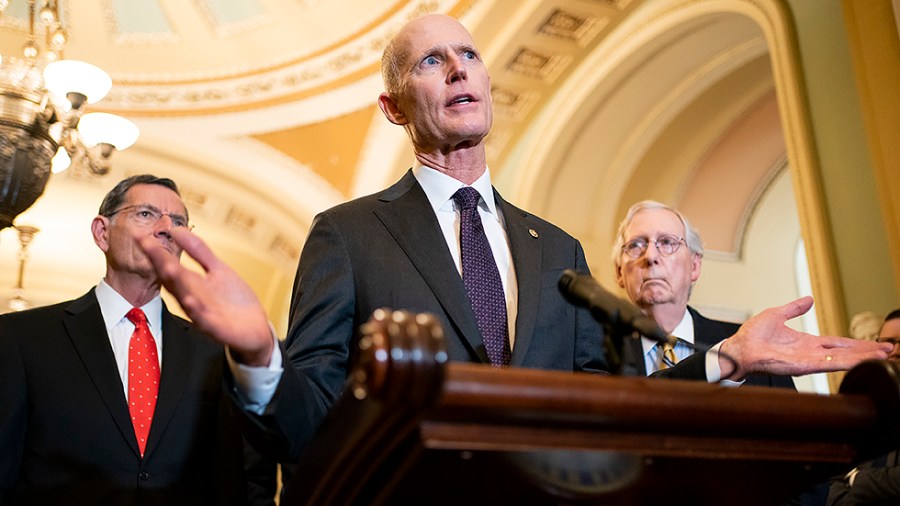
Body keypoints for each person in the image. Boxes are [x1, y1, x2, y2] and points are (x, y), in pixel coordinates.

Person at [136, 13, 890, 472]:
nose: (460, 67)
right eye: (433, 61)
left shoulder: (555, 250)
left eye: (469, 56)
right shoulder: (350, 235)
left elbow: (613, 406)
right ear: (395, 106)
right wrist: (261, 358)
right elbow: (309, 424)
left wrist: (729, 358)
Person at [0, 175, 253, 505]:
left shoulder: (214, 351)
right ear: (102, 233)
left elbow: (238, 478)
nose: (165, 228)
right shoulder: (22, 338)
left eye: (178, 221)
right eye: (145, 214)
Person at [612, 200, 794, 388]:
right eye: (635, 245)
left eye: (667, 242)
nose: (650, 256)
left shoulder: (753, 347)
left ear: (695, 265)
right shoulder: (596, 356)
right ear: (619, 272)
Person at [826, 309, 900, 505]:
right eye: (889, 343)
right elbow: (832, 491)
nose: (896, 351)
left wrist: (856, 479)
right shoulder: (859, 414)